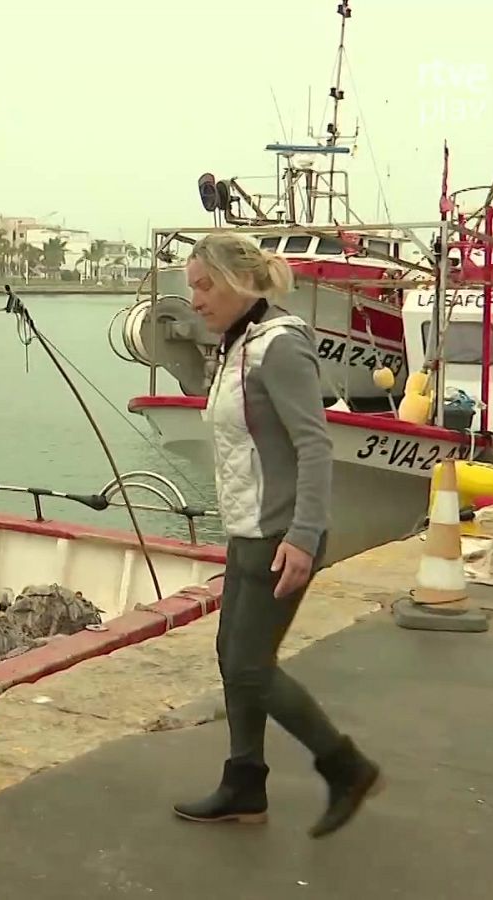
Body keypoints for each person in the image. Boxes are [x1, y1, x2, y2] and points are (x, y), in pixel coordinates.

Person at [171, 232, 381, 838]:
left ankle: (347, 767)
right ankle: (244, 784)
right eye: (192, 285)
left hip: (280, 535)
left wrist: (304, 533)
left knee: (251, 667)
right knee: (230, 658)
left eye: (205, 285)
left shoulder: (279, 347)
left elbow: (316, 445)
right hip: (247, 530)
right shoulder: (238, 345)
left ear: (240, 283)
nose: (195, 297)